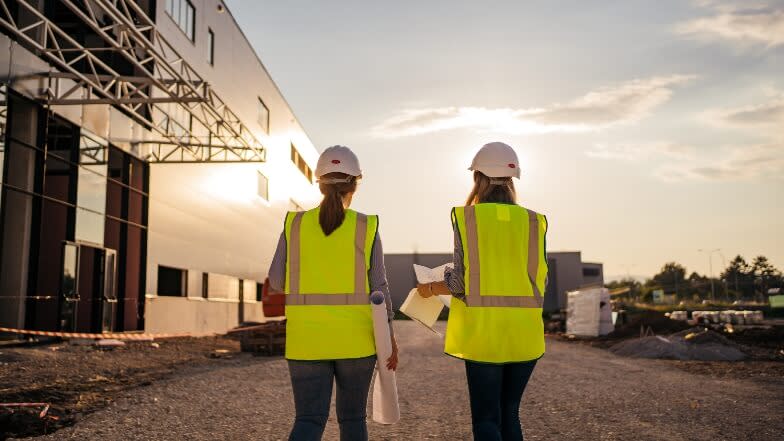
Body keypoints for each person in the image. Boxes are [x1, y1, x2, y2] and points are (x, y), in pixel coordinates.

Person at [267, 145, 398, 441]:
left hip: (306, 342)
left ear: (320, 183)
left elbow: (276, 281)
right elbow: (380, 287)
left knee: (309, 420)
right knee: (352, 421)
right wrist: (389, 336)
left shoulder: (295, 224)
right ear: (355, 183)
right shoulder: (366, 226)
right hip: (356, 341)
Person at [418, 142, 547, 441]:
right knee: (510, 413)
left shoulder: (468, 219)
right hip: (525, 334)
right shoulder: (534, 222)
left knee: (487, 419)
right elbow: (540, 279)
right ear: (512, 180)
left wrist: (441, 278)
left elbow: (460, 284)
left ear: (478, 178)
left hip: (484, 334)